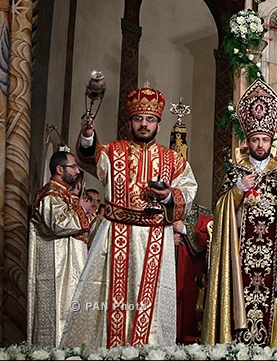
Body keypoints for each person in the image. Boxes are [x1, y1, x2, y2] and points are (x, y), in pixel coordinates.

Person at [61, 85, 198, 348]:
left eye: (149, 119)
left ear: (159, 125)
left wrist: (169, 195)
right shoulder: (113, 152)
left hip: (156, 237)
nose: (143, 124)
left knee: (152, 305)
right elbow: (90, 157)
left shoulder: (173, 160)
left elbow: (188, 190)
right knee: (109, 301)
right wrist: (88, 135)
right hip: (115, 235)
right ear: (131, 122)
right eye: (138, 119)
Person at [202, 78, 277, 347]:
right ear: (247, 141)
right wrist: (238, 189)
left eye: (264, 139)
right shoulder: (237, 171)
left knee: (274, 298)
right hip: (242, 251)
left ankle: (276, 346)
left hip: (276, 251)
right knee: (241, 294)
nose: (260, 144)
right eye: (255, 140)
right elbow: (221, 210)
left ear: (271, 141)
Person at [27, 151, 93, 347]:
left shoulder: (65, 194)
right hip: (56, 270)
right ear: (59, 169)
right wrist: (81, 208)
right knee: (56, 318)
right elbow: (57, 224)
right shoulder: (50, 194)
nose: (77, 170)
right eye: (73, 166)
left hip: (70, 268)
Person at [173, 202, 213, 344]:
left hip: (191, 273)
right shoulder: (161, 211)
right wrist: (167, 240)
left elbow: (209, 239)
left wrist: (185, 229)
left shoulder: (202, 214)